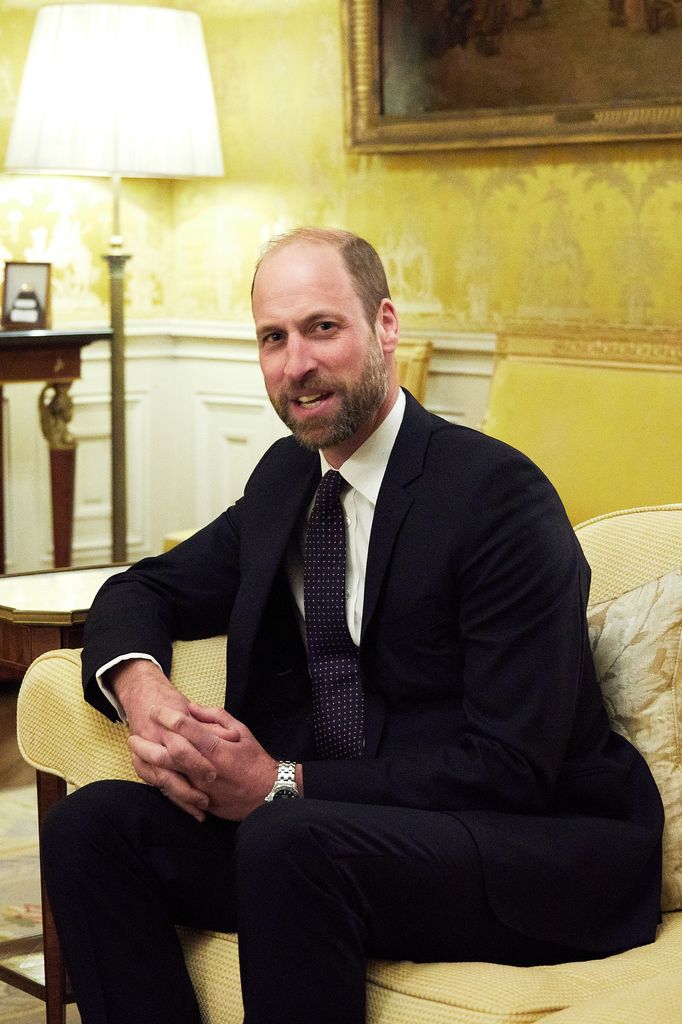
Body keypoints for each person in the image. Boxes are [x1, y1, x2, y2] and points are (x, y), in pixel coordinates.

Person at [41, 228, 663, 1024]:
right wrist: (145, 691)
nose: (296, 363)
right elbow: (142, 589)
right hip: (338, 834)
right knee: (91, 828)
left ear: (386, 326)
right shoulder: (286, 479)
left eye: (322, 328)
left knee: (285, 839)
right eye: (274, 337)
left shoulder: (498, 500)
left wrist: (281, 785)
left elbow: (512, 766)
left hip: (532, 843)